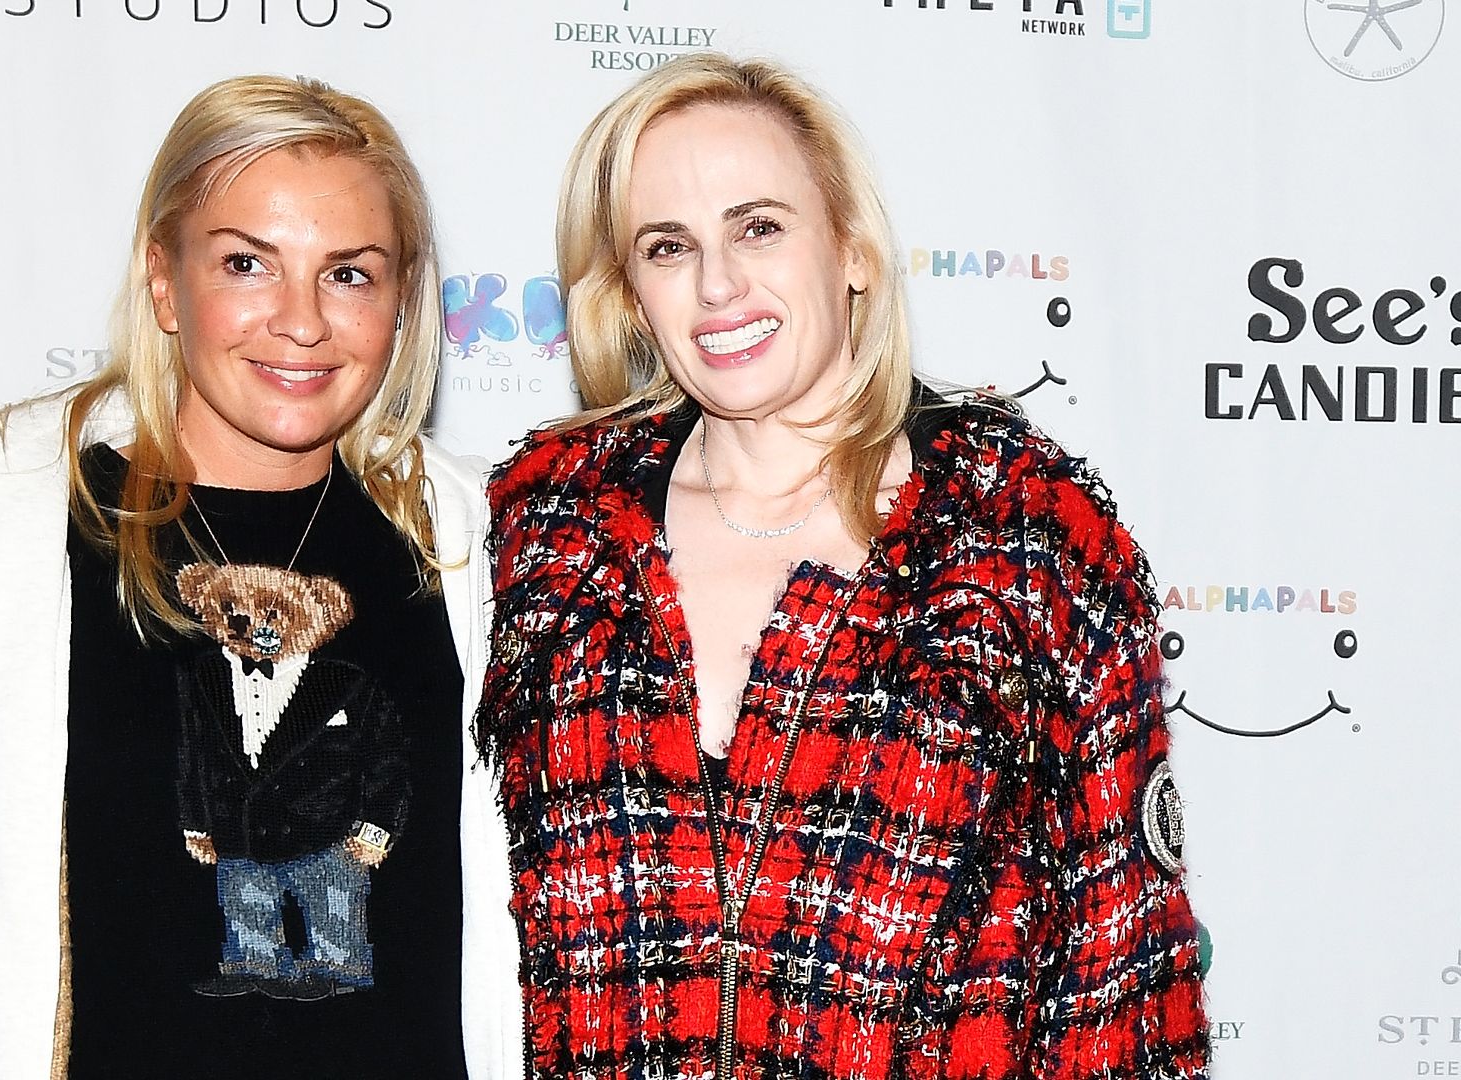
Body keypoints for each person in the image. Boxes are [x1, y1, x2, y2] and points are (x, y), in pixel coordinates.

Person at [475, 54, 1208, 1080]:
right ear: (632, 296)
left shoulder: (1023, 533)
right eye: (668, 246)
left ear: (853, 250)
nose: (718, 283)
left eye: (759, 227)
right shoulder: (548, 529)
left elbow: (1124, 978)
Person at [0, 75, 521, 1080]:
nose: (302, 321)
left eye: (350, 274)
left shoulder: (485, 554)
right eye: (246, 264)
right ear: (164, 280)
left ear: (402, 300)